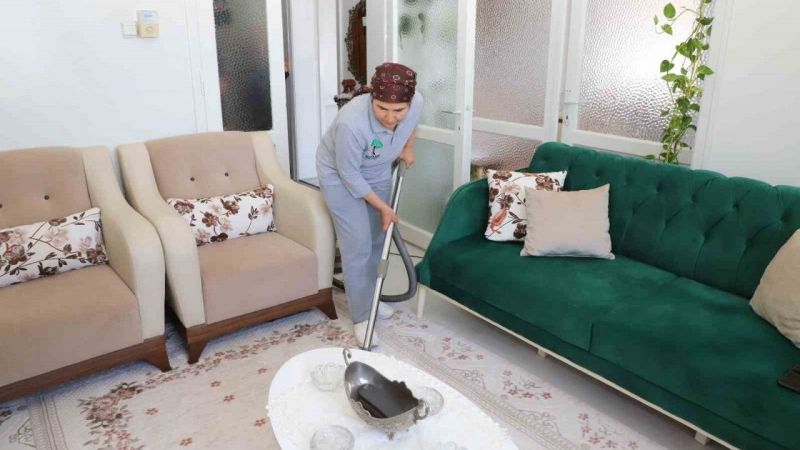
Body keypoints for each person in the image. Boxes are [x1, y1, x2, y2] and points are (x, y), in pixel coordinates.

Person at [316, 62, 422, 347]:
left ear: (409, 102)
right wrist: (384, 207)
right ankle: (362, 317)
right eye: (381, 108)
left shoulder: (417, 102)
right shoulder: (351, 124)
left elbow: (413, 121)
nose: (390, 118)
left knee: (378, 238)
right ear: (372, 98)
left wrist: (408, 146)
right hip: (339, 176)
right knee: (358, 244)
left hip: (376, 170)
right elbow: (349, 175)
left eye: (398, 110)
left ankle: (371, 296)